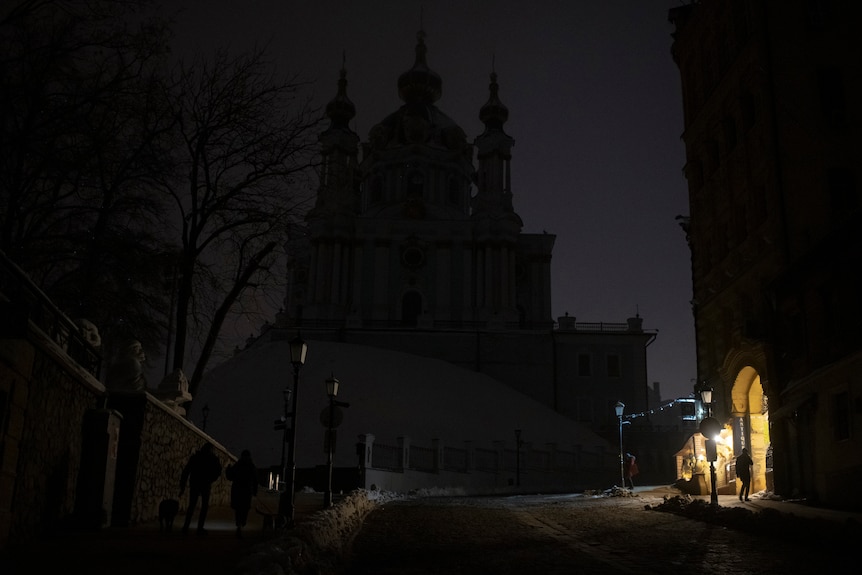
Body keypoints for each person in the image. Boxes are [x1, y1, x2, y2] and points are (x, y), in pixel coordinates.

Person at [179, 442, 222, 535]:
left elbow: (186, 471)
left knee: (192, 505)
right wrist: (211, 479)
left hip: (196, 483)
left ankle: (186, 527)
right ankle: (199, 528)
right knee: (203, 507)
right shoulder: (212, 459)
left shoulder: (196, 457)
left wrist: (182, 485)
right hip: (205, 484)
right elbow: (218, 470)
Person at [225, 449, 259, 538]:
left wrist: (228, 470)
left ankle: (239, 524)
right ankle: (242, 523)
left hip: (238, 490)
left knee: (238, 509)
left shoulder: (238, 465)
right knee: (245, 508)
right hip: (247, 491)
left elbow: (230, 476)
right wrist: (255, 491)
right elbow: (255, 480)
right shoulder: (251, 466)